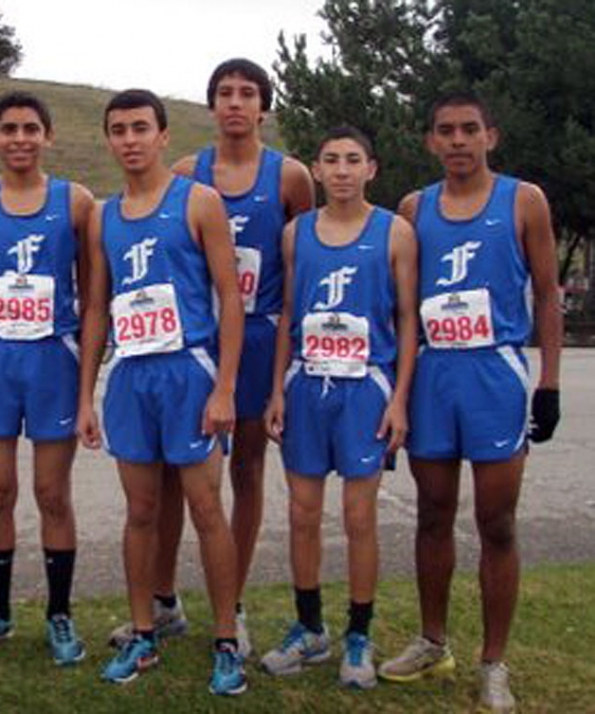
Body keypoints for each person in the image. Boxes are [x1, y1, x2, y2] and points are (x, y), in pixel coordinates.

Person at [107, 58, 316, 655]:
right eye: (224, 92)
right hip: (193, 340)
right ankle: (166, 600)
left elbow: (306, 256)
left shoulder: (290, 177)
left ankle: (236, 603)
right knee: (172, 477)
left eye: (247, 93)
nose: (235, 103)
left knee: (246, 472)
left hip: (256, 337)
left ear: (263, 107)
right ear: (210, 105)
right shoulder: (184, 174)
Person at [378, 92, 562, 713]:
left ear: (491, 135)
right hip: (433, 374)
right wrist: (394, 394)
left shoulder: (524, 200)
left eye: (469, 130)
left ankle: (494, 661)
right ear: (431, 141)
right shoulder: (413, 209)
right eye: (445, 131)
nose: (458, 141)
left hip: (495, 373)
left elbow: (547, 295)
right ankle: (433, 640)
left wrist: (550, 383)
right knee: (432, 512)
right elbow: (400, 309)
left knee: (498, 522)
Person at [77, 89, 247, 695]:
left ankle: (228, 637)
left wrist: (225, 387)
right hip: (132, 376)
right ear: (109, 139)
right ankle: (145, 632)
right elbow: (96, 306)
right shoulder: (103, 215)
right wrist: (85, 396)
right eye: (118, 129)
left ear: (163, 135)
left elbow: (231, 296)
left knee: (206, 510)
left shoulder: (199, 201)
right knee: (141, 511)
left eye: (140, 128)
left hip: (190, 371)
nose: (130, 139)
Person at [260, 126, 418, 689]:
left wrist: (399, 400)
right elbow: (286, 314)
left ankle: (359, 633)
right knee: (302, 514)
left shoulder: (395, 232)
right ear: (318, 171)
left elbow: (406, 321)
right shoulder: (296, 233)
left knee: (358, 518)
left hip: (365, 388)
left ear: (371, 169)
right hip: (307, 385)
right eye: (332, 160)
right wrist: (277, 388)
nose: (343, 170)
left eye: (354, 160)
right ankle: (310, 628)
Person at [0, 91, 93, 665]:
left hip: (54, 357)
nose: (20, 138)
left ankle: (59, 614)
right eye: (8, 129)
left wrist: (85, 370)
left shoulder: (75, 202)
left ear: (48, 136)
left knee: (52, 493)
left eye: (31, 128)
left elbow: (93, 290)